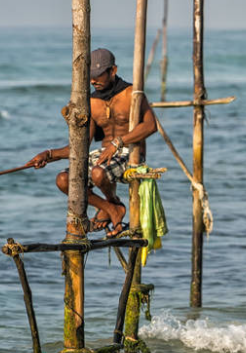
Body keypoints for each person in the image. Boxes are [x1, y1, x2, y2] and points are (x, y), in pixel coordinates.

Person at [27, 48, 157, 237]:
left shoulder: (132, 94)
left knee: (97, 172)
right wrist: (48, 155)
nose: (93, 80)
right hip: (103, 155)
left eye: (98, 75)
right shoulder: (90, 101)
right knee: (64, 180)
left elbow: (151, 126)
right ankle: (112, 208)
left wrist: (118, 142)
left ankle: (111, 206)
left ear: (113, 71)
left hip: (131, 153)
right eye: (90, 76)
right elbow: (80, 147)